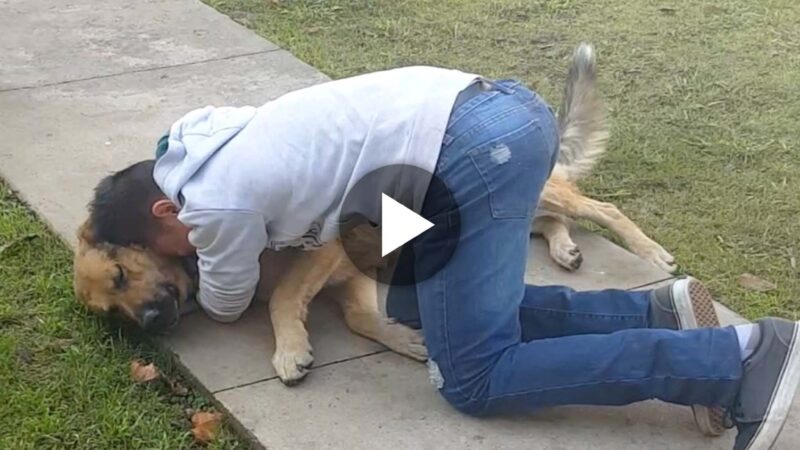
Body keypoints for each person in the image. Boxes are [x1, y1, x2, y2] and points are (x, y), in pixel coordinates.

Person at [88, 44, 799, 449]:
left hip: (473, 149)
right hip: (473, 130)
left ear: (160, 210)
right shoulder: (205, 143)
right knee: (432, 310)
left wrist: (203, 270)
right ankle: (656, 315)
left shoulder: (211, 201)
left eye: (141, 260)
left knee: (475, 378)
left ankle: (738, 363)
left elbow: (225, 301)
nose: (180, 254)